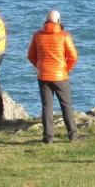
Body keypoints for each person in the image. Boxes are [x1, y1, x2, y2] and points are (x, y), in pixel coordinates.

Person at [27, 10, 81, 143]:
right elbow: (73, 56)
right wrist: (66, 69)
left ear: (46, 20)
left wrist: (39, 66)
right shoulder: (64, 35)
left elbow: (30, 56)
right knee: (66, 105)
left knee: (47, 106)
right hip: (60, 75)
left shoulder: (37, 35)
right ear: (58, 21)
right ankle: (73, 135)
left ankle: (48, 137)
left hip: (43, 75)